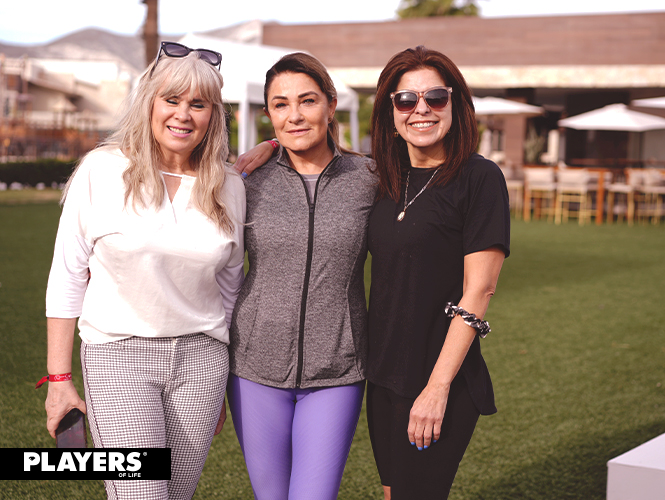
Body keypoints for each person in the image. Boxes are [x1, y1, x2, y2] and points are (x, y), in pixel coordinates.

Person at [41, 41, 245, 500]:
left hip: (202, 364)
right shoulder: (102, 170)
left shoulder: (229, 185)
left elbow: (231, 287)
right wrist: (59, 381)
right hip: (118, 358)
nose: (183, 114)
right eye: (171, 99)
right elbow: (67, 276)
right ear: (149, 102)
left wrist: (222, 382)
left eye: (199, 104)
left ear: (213, 115)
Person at [226, 52, 376, 500]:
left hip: (338, 369)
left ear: (331, 106)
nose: (294, 115)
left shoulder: (369, 178)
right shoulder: (246, 181)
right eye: (281, 104)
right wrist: (269, 149)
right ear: (269, 114)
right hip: (253, 368)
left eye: (307, 101)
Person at [365, 46, 510, 499]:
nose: (421, 109)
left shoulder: (479, 178)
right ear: (390, 112)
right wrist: (269, 147)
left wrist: (437, 388)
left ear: (455, 104)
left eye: (436, 97)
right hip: (382, 374)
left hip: (437, 376)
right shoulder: (382, 177)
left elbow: (480, 289)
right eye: (406, 99)